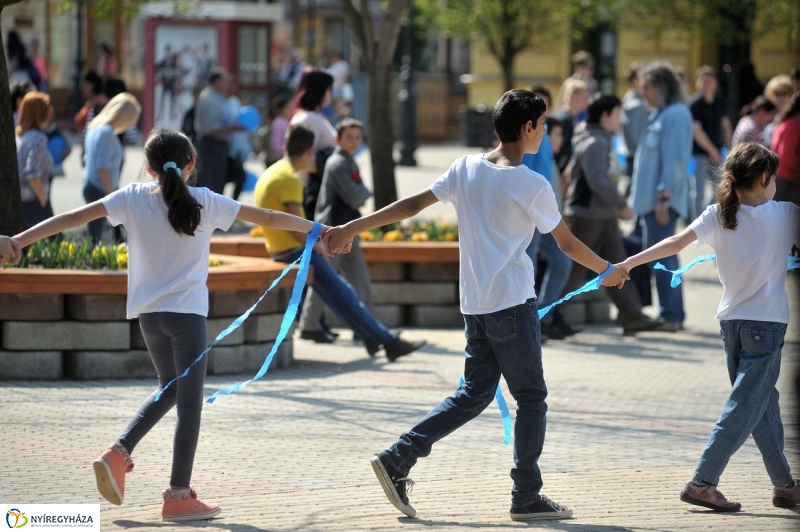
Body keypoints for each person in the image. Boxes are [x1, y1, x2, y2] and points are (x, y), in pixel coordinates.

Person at [323, 89, 628, 522]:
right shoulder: (532, 184)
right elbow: (565, 242)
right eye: (541, 126)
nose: (544, 132)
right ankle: (526, 496)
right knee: (531, 397)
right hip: (511, 304)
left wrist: (353, 225)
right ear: (527, 129)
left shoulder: (465, 168)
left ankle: (397, 458)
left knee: (474, 393)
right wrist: (608, 269)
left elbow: (412, 205)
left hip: (475, 305)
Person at [6, 127, 328, 521]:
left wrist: (18, 240)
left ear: (147, 166)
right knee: (188, 405)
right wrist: (320, 231)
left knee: (170, 390)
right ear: (190, 165)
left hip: (148, 316)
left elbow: (73, 215)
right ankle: (176, 496)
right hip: (187, 317)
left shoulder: (132, 197)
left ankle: (119, 455)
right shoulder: (205, 202)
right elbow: (266, 216)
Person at [618, 142, 800, 512]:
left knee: (761, 405)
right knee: (743, 407)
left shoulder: (718, 214)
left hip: (730, 325)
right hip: (766, 325)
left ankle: (784, 485)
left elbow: (673, 243)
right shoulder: (785, 215)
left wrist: (627, 264)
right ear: (764, 178)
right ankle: (703, 482)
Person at [255, 123, 426, 360]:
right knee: (344, 294)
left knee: (339, 294)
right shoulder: (289, 179)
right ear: (307, 152)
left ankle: (372, 337)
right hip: (295, 251)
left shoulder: (272, 171)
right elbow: (293, 225)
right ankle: (387, 341)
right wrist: (316, 246)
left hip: (281, 249)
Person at [561, 93, 662, 336]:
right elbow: (597, 179)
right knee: (574, 271)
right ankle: (547, 315)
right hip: (588, 215)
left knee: (618, 267)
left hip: (602, 215)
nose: (620, 118)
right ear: (606, 115)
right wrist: (620, 204)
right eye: (618, 113)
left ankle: (632, 316)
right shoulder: (596, 142)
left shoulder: (601, 139)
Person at [300, 118, 376, 345]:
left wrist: (362, 192)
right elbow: (356, 195)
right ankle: (309, 325)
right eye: (349, 137)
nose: (354, 142)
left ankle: (367, 327)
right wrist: (365, 193)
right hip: (332, 231)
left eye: (357, 137)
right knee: (327, 278)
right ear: (338, 139)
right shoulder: (337, 164)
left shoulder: (349, 161)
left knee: (359, 278)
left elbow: (358, 193)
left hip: (348, 228)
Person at [630, 62, 693, 332]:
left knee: (663, 259)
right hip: (651, 203)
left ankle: (672, 315)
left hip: (661, 204)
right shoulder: (662, 113)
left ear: (662, 87)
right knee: (658, 260)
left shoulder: (676, 115)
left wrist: (664, 196)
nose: (643, 93)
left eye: (647, 88)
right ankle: (668, 312)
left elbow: (675, 161)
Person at [522, 85, 578, 340]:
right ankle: (528, 324)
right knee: (529, 268)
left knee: (561, 262)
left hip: (547, 215)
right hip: (530, 214)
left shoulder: (543, 138)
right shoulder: (526, 139)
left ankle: (542, 316)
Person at [83, 93, 142, 242]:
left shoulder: (95, 127)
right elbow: (102, 168)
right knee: (95, 237)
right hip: (100, 188)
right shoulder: (107, 133)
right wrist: (113, 194)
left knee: (96, 233)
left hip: (93, 185)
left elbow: (87, 159)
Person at [289, 68, 338, 221]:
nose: (332, 93)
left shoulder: (314, 116)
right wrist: (332, 164)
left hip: (314, 188)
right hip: (310, 191)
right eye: (329, 89)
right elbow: (301, 159)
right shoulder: (308, 118)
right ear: (320, 90)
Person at [689, 66, 733, 221]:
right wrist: (713, 151)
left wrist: (730, 149)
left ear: (716, 83)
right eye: (704, 80)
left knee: (720, 188)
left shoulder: (720, 102)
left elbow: (725, 125)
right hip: (699, 153)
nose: (707, 83)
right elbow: (696, 131)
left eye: (710, 80)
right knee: (699, 190)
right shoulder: (694, 104)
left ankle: (706, 217)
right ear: (698, 83)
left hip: (718, 152)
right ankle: (696, 222)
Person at [194, 68, 245, 194]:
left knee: (224, 180)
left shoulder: (222, 97)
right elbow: (210, 129)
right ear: (217, 82)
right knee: (212, 183)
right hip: (211, 145)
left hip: (223, 146)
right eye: (226, 81)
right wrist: (233, 128)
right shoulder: (209, 99)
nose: (229, 84)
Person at [16, 92, 54, 229]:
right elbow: (31, 172)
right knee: (55, 243)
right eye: (48, 109)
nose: (51, 112)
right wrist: (43, 198)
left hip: (20, 199)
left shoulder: (20, 136)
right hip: (34, 200)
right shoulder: (37, 138)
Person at [553, 78, 590, 174]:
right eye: (584, 97)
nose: (587, 101)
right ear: (574, 97)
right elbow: (562, 151)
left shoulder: (570, 117)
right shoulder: (563, 119)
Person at [620, 62, 649, 179]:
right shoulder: (637, 105)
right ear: (635, 80)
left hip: (632, 157)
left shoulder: (631, 98)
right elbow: (637, 139)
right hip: (637, 158)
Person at [771, 93, 800, 206]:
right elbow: (786, 155)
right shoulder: (793, 125)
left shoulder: (785, 122)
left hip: (779, 175)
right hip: (787, 178)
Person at [763, 75, 794, 147]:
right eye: (777, 93)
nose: (780, 97)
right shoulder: (767, 114)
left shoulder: (793, 115)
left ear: (790, 94)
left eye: (784, 93)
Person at [269, 94, 292, 164]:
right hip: (281, 159)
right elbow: (275, 144)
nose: (291, 109)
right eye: (289, 107)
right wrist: (290, 150)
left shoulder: (290, 121)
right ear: (282, 109)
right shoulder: (278, 122)